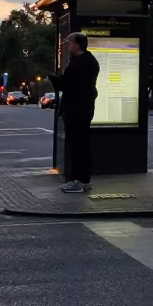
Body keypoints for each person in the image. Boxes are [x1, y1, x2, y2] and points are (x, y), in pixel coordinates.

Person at [49, 32, 101, 193]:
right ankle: (83, 179)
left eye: (69, 42)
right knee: (82, 144)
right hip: (83, 107)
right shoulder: (88, 61)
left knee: (78, 145)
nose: (67, 45)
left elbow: (68, 85)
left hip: (77, 108)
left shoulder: (80, 64)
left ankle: (79, 180)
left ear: (78, 44)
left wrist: (54, 79)